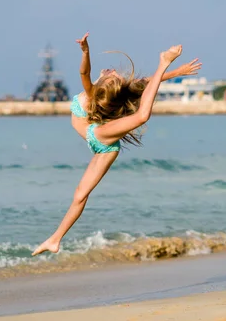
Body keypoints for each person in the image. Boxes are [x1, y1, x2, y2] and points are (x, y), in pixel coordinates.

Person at [31, 33, 201, 256]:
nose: (113, 72)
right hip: (96, 127)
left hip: (103, 142)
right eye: (114, 75)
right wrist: (85, 51)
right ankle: (54, 240)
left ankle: (55, 238)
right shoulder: (94, 91)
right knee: (79, 195)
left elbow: (141, 114)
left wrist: (164, 63)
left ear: (103, 86)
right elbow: (90, 72)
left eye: (113, 77)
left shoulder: (94, 95)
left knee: (80, 194)